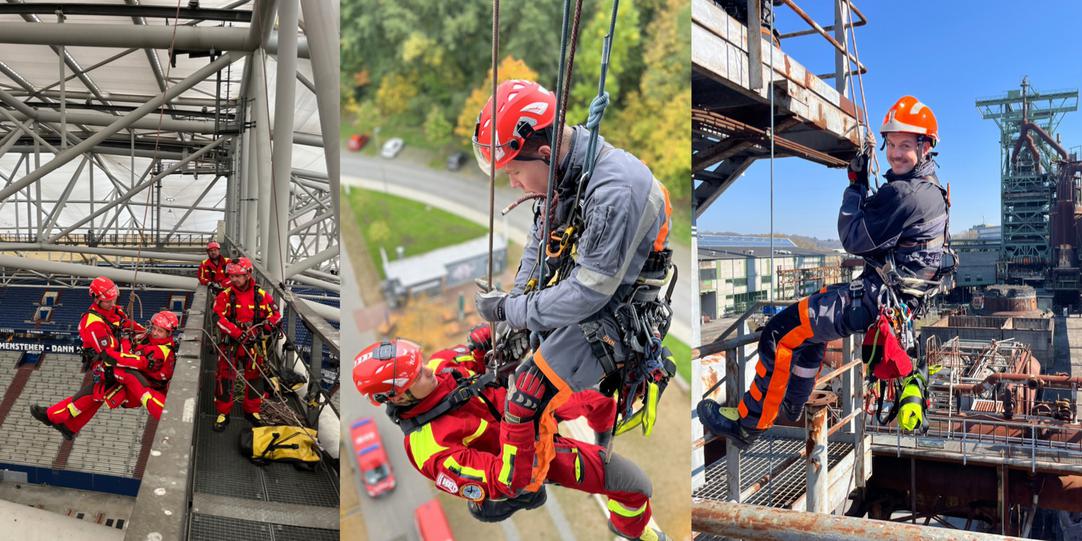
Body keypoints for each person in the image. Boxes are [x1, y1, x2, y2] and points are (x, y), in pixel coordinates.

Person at [698, 95, 952, 448]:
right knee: (808, 332)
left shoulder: (906, 194)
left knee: (778, 331)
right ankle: (793, 400)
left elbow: (853, 237)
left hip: (874, 302)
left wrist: (855, 186)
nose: (895, 153)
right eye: (891, 144)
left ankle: (749, 423)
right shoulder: (932, 189)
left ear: (925, 148)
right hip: (887, 302)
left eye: (905, 145)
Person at [471, 79, 674, 498]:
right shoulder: (564, 174)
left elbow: (588, 293)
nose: (512, 183)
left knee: (527, 393)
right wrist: (515, 303)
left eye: (513, 171)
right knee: (510, 349)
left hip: (619, 314)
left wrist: (513, 310)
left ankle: (523, 486)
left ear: (544, 153)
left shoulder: (614, 189)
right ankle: (598, 437)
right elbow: (538, 245)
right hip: (597, 300)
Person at [353, 330, 669, 541]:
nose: (429, 370)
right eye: (417, 374)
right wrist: (519, 419)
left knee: (601, 398)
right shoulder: (430, 449)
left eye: (421, 363)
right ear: (396, 397)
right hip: (529, 455)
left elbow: (478, 358)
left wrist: (492, 337)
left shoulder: (439, 366)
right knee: (636, 485)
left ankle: (602, 441)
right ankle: (632, 530)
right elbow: (508, 480)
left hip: (527, 405)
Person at [31, 277, 164, 439]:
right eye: (107, 301)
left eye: (113, 299)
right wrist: (128, 344)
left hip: (118, 358)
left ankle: (69, 425)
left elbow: (126, 324)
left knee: (99, 395)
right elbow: (109, 353)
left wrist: (144, 332)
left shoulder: (113, 311)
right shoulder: (92, 323)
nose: (112, 303)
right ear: (96, 299)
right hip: (105, 364)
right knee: (97, 392)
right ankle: (53, 416)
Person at [211, 256, 282, 431]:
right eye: (232, 275)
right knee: (225, 379)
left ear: (248, 274)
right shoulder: (225, 295)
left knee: (255, 379)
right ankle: (223, 413)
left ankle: (252, 410)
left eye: (238, 275)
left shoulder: (261, 295)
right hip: (231, 345)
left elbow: (276, 315)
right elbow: (217, 317)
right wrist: (237, 333)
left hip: (253, 346)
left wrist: (269, 324)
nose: (234, 279)